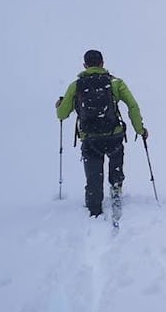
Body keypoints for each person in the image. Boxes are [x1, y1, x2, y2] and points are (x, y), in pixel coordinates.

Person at [55, 49, 148, 218]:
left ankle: (94, 205)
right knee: (116, 162)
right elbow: (133, 106)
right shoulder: (115, 83)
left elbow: (62, 114)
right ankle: (116, 189)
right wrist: (140, 130)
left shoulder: (76, 86)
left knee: (94, 176)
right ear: (102, 63)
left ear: (85, 65)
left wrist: (59, 106)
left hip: (90, 139)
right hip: (114, 135)